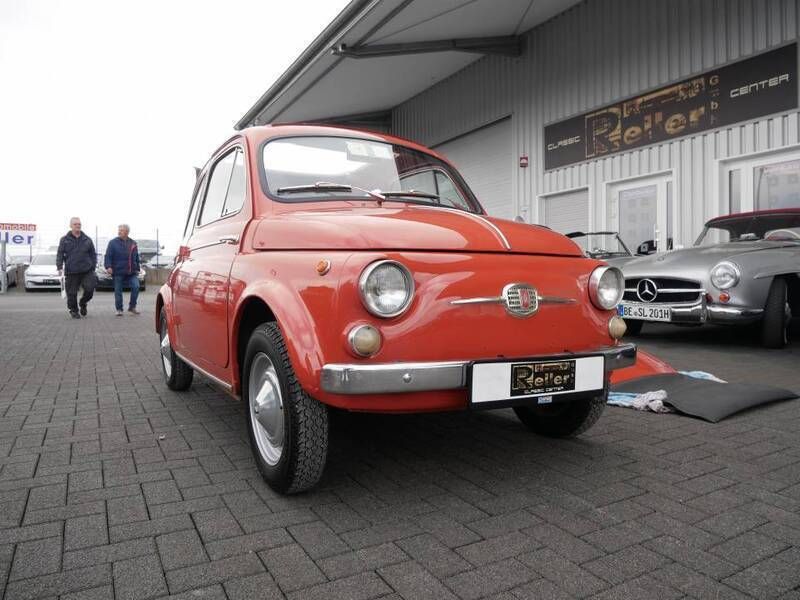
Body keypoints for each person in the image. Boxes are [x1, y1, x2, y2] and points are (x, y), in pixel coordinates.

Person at [56, 217, 97, 319]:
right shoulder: (64, 240)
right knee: (72, 293)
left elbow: (93, 254)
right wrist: (59, 267)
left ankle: (83, 302)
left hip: (86, 270)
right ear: (71, 226)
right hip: (71, 271)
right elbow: (60, 254)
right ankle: (74, 310)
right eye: (75, 224)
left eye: (79, 224)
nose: (78, 226)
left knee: (90, 289)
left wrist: (93, 266)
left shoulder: (87, 239)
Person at [104, 224, 141, 316]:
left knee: (136, 287)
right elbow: (108, 256)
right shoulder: (112, 243)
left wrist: (138, 268)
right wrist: (108, 266)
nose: (119, 231)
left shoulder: (133, 243)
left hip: (131, 272)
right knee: (118, 291)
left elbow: (136, 257)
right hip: (118, 271)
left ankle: (132, 307)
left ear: (127, 232)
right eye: (119, 230)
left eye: (121, 230)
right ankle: (119, 309)